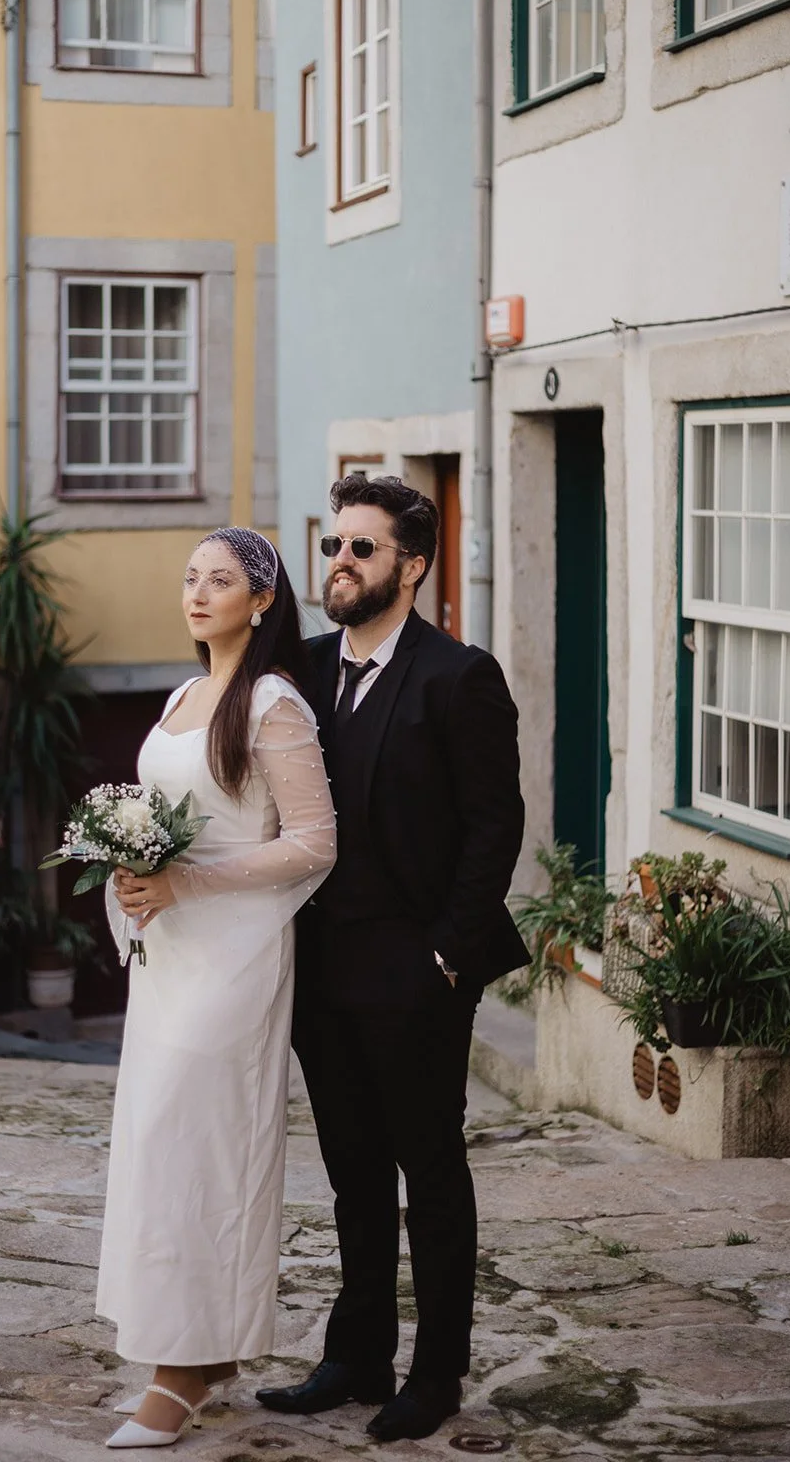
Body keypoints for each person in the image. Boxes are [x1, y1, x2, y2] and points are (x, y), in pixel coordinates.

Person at [256, 474, 528, 1443]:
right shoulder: (298, 671)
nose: (339, 562)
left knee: (430, 1172)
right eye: (333, 545)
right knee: (350, 1171)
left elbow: (494, 825)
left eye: (361, 549)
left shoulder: (459, 677)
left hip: (416, 973)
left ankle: (435, 1371)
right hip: (319, 975)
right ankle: (355, 1353)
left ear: (410, 567)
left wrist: (447, 957)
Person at [98, 527, 336, 1450]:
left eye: (221, 579)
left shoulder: (272, 703)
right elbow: (163, 820)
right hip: (169, 955)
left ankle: (185, 1370)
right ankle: (193, 1349)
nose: (198, 593)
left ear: (263, 599)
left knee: (201, 1147)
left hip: (235, 957)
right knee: (155, 1146)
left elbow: (314, 841)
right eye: (190, 577)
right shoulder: (183, 694)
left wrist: (188, 881)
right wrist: (131, 873)